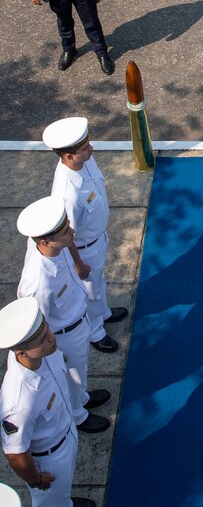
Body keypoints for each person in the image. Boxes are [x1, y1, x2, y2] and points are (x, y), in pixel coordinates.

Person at [0, 298, 96, 507]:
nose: (51, 340)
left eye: (47, 331)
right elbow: (16, 454)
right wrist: (36, 479)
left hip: (65, 435)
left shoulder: (43, 353)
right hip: (47, 456)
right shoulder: (19, 399)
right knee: (48, 496)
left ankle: (65, 506)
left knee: (61, 490)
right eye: (41, 340)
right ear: (20, 352)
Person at [16, 196, 110, 434]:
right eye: (65, 231)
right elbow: (36, 323)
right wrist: (52, 350)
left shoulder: (53, 247)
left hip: (79, 320)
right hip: (63, 335)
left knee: (80, 370)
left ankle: (82, 398)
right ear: (46, 242)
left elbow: (69, 248)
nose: (72, 230)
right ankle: (79, 415)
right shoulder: (39, 282)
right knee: (71, 374)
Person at [42, 116, 128, 353]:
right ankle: (96, 332)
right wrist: (78, 262)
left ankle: (105, 312)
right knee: (89, 291)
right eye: (84, 148)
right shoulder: (67, 193)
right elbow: (66, 233)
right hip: (83, 248)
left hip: (98, 239)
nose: (90, 149)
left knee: (99, 283)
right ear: (68, 156)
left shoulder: (85, 161)